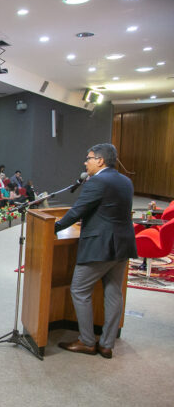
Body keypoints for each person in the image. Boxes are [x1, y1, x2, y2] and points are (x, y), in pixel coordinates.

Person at [55, 144, 137, 359]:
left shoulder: (97, 181)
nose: (85, 162)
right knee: (113, 292)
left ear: (100, 161)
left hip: (100, 246)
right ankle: (107, 344)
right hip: (122, 245)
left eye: (89, 158)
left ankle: (87, 341)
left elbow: (77, 211)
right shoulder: (125, 181)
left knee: (79, 290)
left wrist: (54, 227)